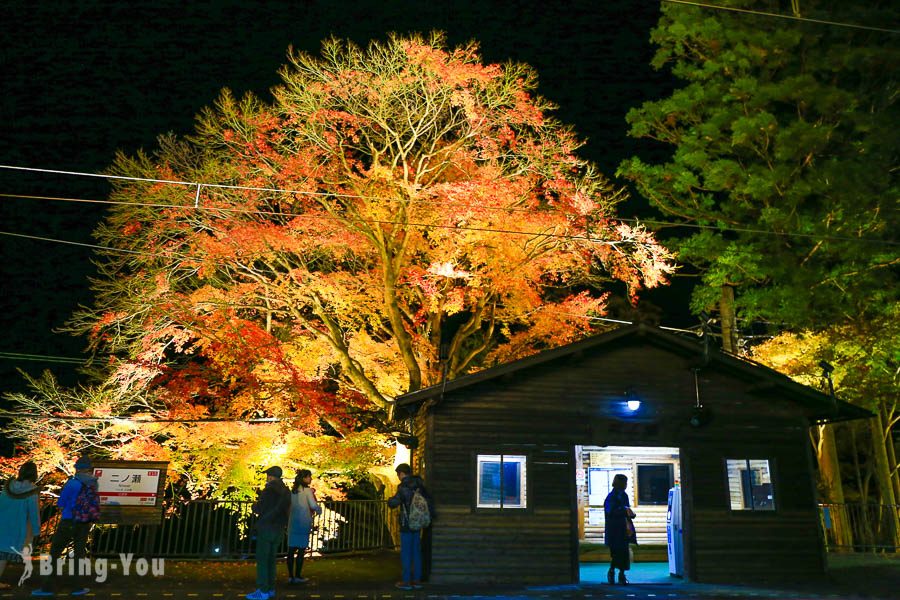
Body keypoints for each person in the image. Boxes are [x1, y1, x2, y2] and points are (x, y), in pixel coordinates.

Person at [32, 455, 98, 597]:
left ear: (77, 469)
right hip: (85, 522)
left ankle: (48, 587)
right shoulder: (93, 483)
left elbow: (61, 503)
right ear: (89, 469)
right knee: (79, 555)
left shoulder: (72, 483)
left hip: (68, 521)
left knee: (55, 553)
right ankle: (77, 587)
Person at [246, 466, 291, 600]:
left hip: (266, 528)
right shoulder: (285, 491)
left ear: (271, 476)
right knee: (271, 560)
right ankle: (270, 589)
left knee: (263, 560)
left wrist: (254, 505)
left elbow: (260, 508)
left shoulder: (269, 490)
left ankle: (263, 590)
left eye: (267, 475)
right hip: (279, 528)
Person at [387, 463, 433, 591]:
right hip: (418, 522)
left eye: (398, 474)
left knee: (406, 553)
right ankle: (417, 581)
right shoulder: (420, 484)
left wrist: (390, 500)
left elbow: (394, 502)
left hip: (406, 523)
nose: (398, 477)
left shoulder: (403, 487)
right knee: (416, 552)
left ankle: (406, 581)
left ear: (402, 473)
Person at [0, 461, 40, 590]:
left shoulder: (7, 487)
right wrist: (36, 531)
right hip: (17, 529)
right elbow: (34, 514)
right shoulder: (32, 492)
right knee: (3, 556)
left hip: (2, 524)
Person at [286, 469, 322, 584]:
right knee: (301, 550)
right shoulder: (307, 491)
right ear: (304, 478)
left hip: (292, 522)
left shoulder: (293, 491)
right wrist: (319, 510)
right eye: (309, 477)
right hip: (303, 522)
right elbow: (313, 505)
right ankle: (298, 576)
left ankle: (291, 576)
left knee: (291, 550)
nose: (310, 479)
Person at [604, 473, 636, 585]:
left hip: (624, 530)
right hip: (614, 530)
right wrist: (624, 510)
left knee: (624, 553)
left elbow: (627, 510)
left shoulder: (624, 496)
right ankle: (612, 572)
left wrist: (630, 513)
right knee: (616, 553)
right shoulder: (611, 497)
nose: (625, 485)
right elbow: (610, 512)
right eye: (623, 483)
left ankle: (622, 574)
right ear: (617, 483)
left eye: (626, 483)